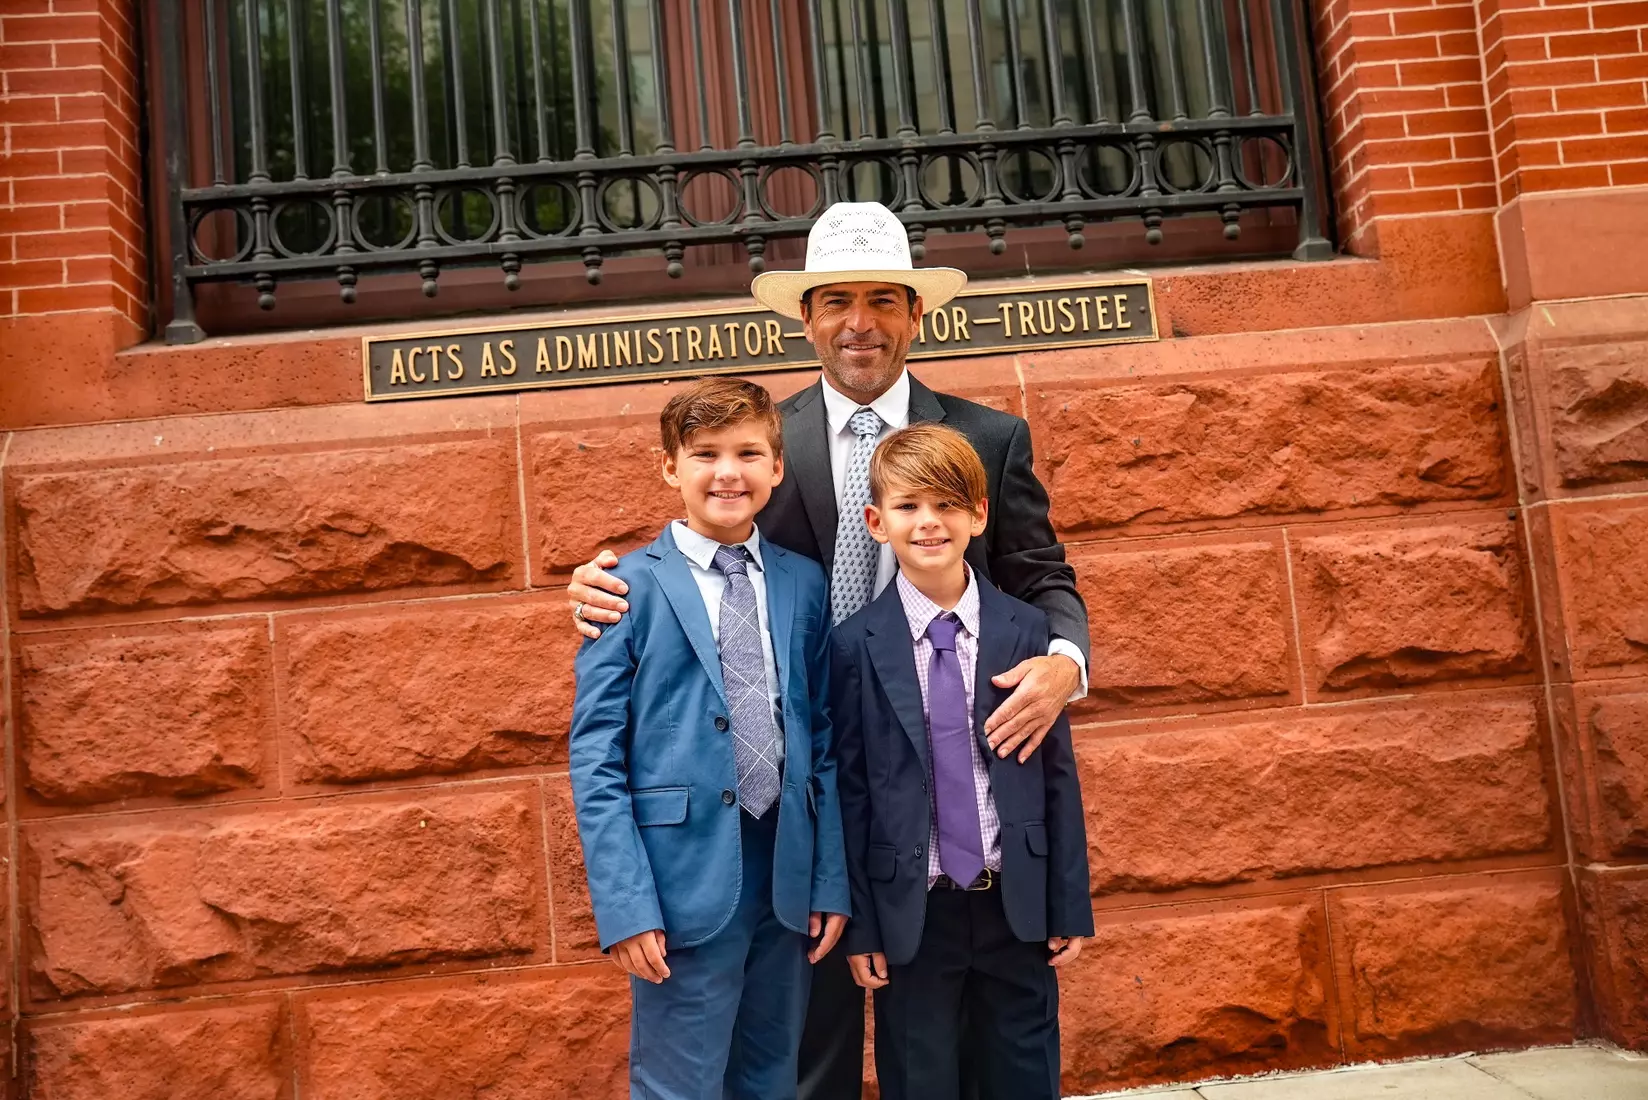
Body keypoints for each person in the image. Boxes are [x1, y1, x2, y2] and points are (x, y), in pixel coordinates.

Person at [567, 200, 1091, 1100]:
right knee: (804, 1038)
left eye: (884, 300)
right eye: (837, 301)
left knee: (959, 1036)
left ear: (916, 315)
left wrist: (1064, 662)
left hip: (949, 783)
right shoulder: (766, 444)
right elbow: (713, 549)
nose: (861, 322)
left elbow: (1045, 575)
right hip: (816, 785)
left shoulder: (988, 439)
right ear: (805, 318)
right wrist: (599, 587)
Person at [569, 377, 849, 1100]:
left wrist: (827, 879)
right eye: (705, 454)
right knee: (679, 1085)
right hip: (678, 885)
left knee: (770, 1077)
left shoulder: (803, 583)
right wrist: (627, 905)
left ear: (777, 468)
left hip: (783, 876)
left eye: (749, 453)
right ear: (671, 467)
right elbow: (596, 758)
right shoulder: (623, 589)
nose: (728, 472)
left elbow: (818, 737)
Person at [831, 423, 1092, 1100]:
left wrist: (1069, 903)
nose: (929, 523)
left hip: (1016, 905)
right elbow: (852, 794)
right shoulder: (855, 646)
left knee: (1025, 1074)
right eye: (909, 506)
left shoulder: (1026, 632)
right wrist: (861, 922)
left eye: (948, 505)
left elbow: (1056, 779)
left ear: (979, 515)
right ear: (876, 522)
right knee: (922, 1080)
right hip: (914, 914)